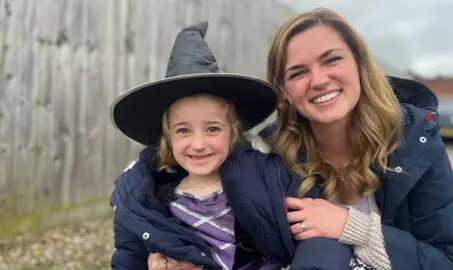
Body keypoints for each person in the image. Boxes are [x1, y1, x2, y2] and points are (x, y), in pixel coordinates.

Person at [109, 21, 353, 270]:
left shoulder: (270, 176)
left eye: (212, 129)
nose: (198, 144)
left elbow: (319, 237)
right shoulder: (143, 199)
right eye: (183, 130)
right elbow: (128, 257)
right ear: (168, 138)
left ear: (233, 132)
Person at [256, 7, 453, 270]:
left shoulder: (415, 143)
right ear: (285, 91)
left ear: (359, 63)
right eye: (298, 73)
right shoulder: (268, 154)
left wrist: (354, 228)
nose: (319, 80)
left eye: (331, 60)